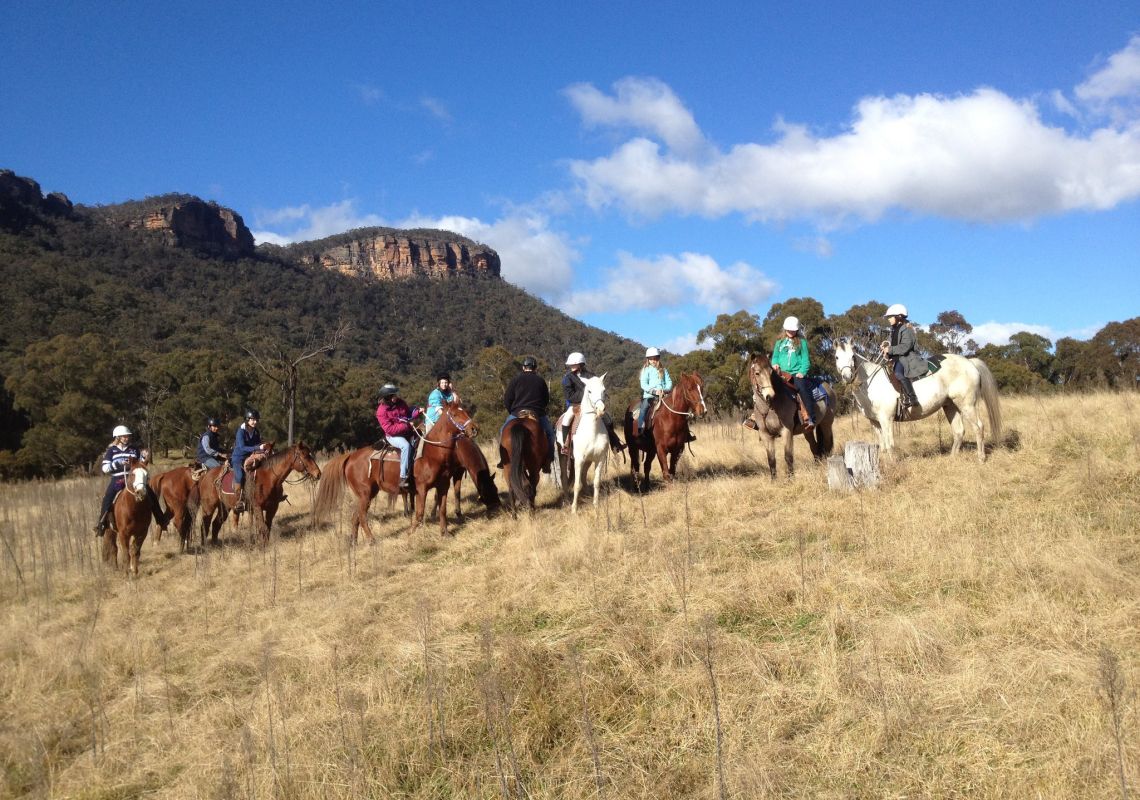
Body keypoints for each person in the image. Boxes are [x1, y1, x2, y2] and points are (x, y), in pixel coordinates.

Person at [93, 424, 166, 534]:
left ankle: (160, 519)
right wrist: (118, 463)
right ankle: (101, 524)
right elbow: (105, 468)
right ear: (118, 438)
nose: (127, 438)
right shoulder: (111, 451)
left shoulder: (134, 449)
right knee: (107, 498)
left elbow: (140, 463)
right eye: (124, 436)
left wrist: (144, 457)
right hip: (118, 478)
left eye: (127, 436)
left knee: (151, 494)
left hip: (133, 477)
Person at [559, 352, 625, 454]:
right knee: (566, 420)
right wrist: (585, 396)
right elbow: (569, 396)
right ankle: (566, 445)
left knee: (608, 420)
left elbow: (598, 390)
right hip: (575, 405)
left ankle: (615, 444)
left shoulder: (591, 376)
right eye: (570, 365)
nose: (571, 366)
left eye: (574, 364)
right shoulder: (567, 378)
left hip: (592, 406)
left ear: (581, 364)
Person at [502, 356, 555, 466]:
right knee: (550, 434)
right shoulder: (540, 381)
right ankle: (549, 459)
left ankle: (503, 459)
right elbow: (546, 400)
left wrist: (512, 412)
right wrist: (540, 410)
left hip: (517, 413)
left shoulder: (515, 380)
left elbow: (507, 399)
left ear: (523, 367)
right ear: (535, 368)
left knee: (503, 431)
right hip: (537, 413)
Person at [771, 316, 817, 430]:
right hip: (781, 373)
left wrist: (802, 372)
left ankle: (810, 417)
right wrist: (775, 364)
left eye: (793, 330)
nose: (791, 332)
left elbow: (806, 360)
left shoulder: (802, 342)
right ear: (785, 329)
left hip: (796, 374)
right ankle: (756, 418)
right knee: (765, 385)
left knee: (802, 388)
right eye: (789, 330)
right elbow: (775, 357)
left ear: (797, 330)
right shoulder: (779, 342)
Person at [375, 383, 422, 488]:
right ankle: (403, 476)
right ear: (387, 398)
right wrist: (406, 425)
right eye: (393, 395)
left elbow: (408, 414)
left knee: (422, 437)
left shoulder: (400, 402)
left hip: (406, 430)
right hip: (393, 436)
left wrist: (417, 412)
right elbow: (389, 429)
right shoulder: (381, 411)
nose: (396, 396)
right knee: (405, 446)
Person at [880, 303, 923, 409]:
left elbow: (905, 347)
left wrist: (890, 349)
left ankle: (912, 397)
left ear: (898, 317)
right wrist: (886, 350)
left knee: (898, 373)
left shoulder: (906, 329)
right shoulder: (894, 330)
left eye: (890, 317)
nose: (889, 319)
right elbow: (894, 346)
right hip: (898, 358)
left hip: (908, 357)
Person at [231, 408, 269, 512]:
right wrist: (258, 448)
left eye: (256, 420)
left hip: (251, 456)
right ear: (247, 420)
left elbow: (258, 444)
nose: (255, 422)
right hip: (238, 458)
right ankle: (238, 501)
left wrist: (264, 448)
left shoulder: (256, 431)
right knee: (239, 476)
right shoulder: (241, 432)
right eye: (253, 419)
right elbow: (242, 447)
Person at [638, 347, 674, 436]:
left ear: (658, 358)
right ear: (648, 360)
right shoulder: (646, 370)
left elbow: (669, 381)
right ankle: (640, 427)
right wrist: (654, 391)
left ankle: (686, 433)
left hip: (664, 395)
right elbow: (643, 384)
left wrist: (665, 389)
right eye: (651, 359)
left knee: (676, 408)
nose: (653, 361)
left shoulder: (663, 370)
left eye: (655, 358)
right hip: (649, 396)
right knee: (643, 409)